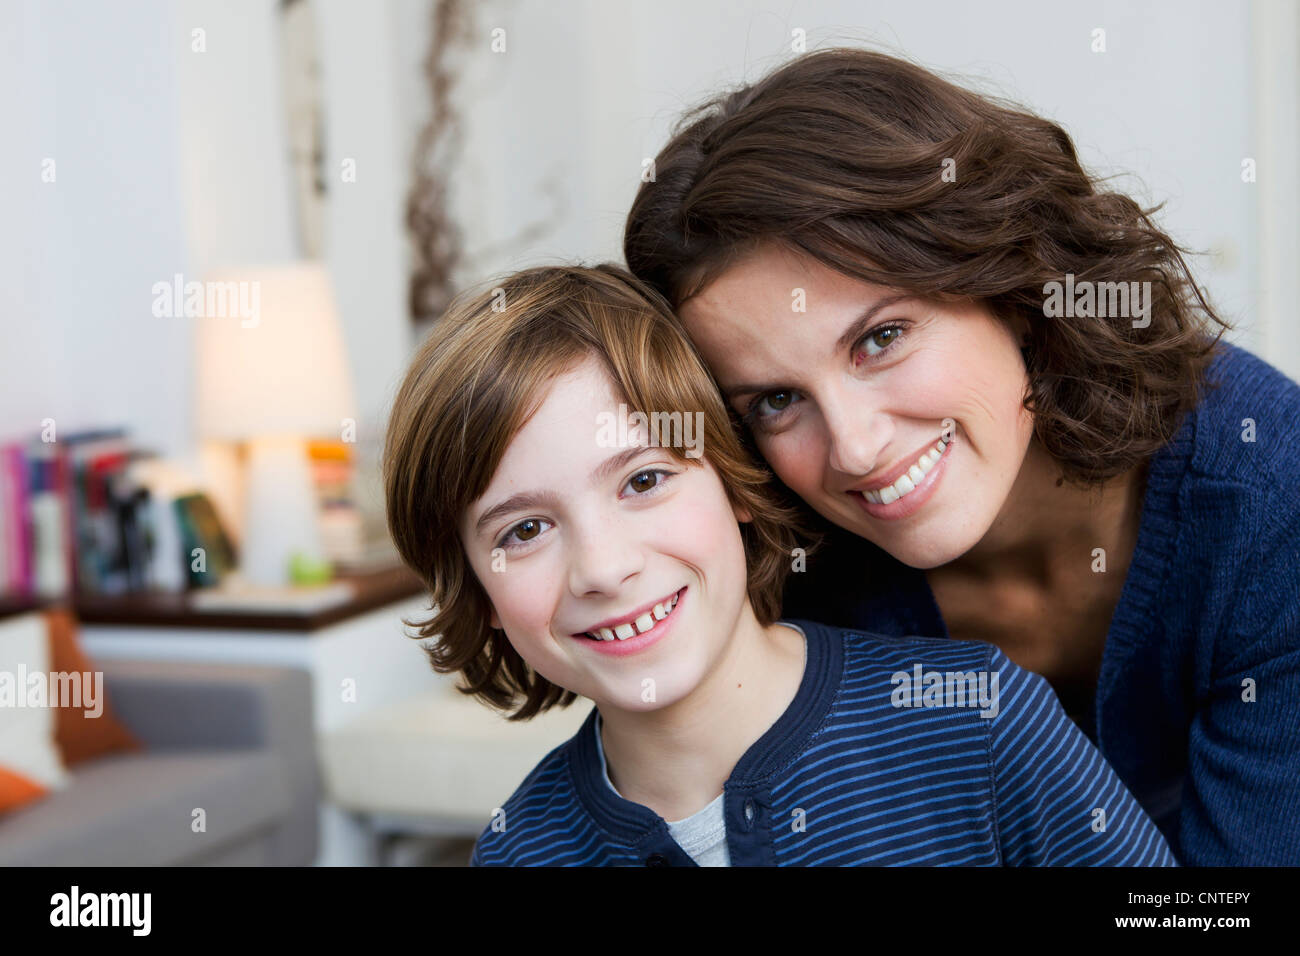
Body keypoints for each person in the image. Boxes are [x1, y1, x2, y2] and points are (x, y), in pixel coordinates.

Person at [623, 47, 1300, 865]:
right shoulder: (786, 556)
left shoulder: (1270, 497)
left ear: (1015, 287)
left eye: (880, 339)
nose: (856, 447)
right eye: (775, 400)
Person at [382, 263, 1176, 866]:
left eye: (645, 480)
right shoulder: (521, 847)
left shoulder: (981, 719)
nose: (602, 566)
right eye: (523, 531)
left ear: (734, 482)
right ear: (479, 591)